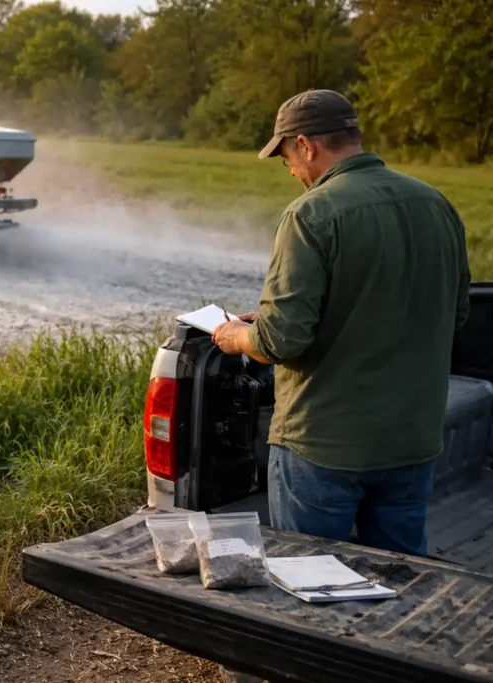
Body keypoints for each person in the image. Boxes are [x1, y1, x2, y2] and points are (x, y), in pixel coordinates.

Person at [210, 88, 471, 683]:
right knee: (399, 579)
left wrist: (235, 336)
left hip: (322, 444)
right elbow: (453, 317)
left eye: (286, 158)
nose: (289, 171)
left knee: (308, 586)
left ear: (306, 145)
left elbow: (283, 342)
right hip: (411, 439)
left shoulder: (312, 215)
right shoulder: (435, 203)